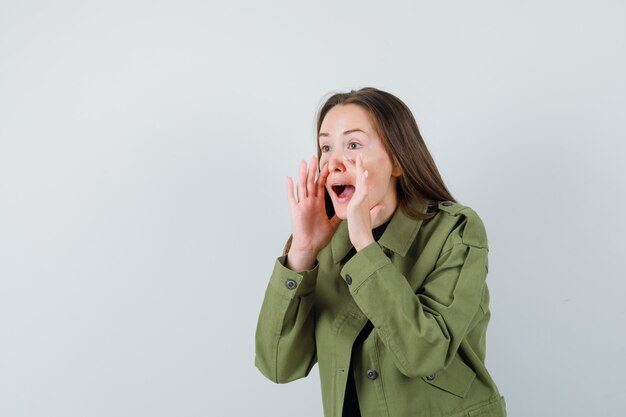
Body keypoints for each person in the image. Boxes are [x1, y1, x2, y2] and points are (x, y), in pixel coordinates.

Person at [255, 87, 506, 417]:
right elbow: (278, 366)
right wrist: (302, 251)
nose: (333, 162)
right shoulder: (325, 245)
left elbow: (423, 354)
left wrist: (364, 246)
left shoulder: (456, 230)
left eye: (354, 145)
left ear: (398, 160)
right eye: (326, 147)